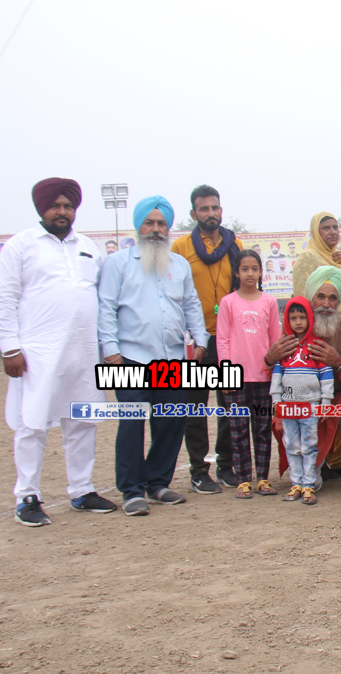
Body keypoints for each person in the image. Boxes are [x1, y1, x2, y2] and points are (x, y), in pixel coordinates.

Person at [0, 177, 118, 526]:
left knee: (83, 422)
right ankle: (27, 496)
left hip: (84, 352)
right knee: (32, 424)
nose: (62, 211)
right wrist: (9, 349)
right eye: (55, 206)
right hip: (38, 353)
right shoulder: (21, 245)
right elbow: (1, 298)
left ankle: (82, 490)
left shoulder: (89, 247)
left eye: (68, 206)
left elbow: (102, 298)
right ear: (41, 208)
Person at [98, 196, 209, 516]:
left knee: (171, 420)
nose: (156, 229)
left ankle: (158, 483)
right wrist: (111, 352)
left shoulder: (179, 264)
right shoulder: (117, 263)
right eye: (150, 223)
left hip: (172, 359)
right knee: (132, 423)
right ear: (139, 226)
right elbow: (106, 307)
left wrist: (200, 342)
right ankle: (132, 490)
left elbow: (191, 305)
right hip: (128, 357)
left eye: (162, 223)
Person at [170, 184, 244, 493]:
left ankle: (226, 465)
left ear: (221, 210)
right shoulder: (180, 248)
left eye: (214, 207)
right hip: (195, 340)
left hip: (229, 338)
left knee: (229, 404)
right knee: (195, 408)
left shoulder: (234, 243)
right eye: (204, 209)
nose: (210, 213)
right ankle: (199, 471)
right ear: (193, 213)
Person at [266, 267, 341, 482]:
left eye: (332, 298)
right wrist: (269, 359)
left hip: (332, 402)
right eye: (320, 296)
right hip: (298, 402)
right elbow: (274, 371)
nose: (326, 304)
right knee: (311, 481)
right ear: (311, 298)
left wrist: (339, 363)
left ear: (339, 302)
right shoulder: (293, 327)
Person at [217, 250, 281, 499]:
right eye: (245, 269)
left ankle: (262, 479)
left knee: (262, 430)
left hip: (263, 378)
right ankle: (243, 480)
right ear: (237, 272)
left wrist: (275, 373)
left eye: (254, 268)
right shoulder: (228, 302)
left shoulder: (269, 302)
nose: (250, 273)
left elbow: (274, 340)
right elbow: (222, 340)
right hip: (236, 378)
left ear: (261, 272)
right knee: (238, 430)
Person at [270, 297, 335, 505]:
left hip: (310, 407)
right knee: (291, 445)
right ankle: (296, 483)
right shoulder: (284, 347)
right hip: (288, 408)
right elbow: (276, 377)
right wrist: (276, 401)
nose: (298, 322)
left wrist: (326, 403)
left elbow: (326, 376)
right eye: (293, 318)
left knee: (309, 445)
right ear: (286, 320)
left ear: (310, 319)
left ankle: (308, 484)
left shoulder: (316, 346)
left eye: (302, 317)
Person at [292, 212, 341, 317]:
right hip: (318, 321)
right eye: (326, 228)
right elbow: (302, 297)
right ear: (315, 232)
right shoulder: (307, 258)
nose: (333, 232)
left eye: (335, 227)